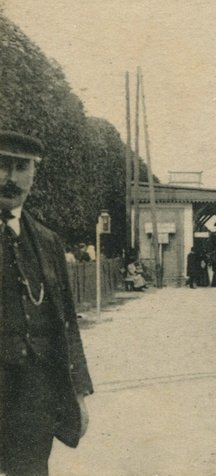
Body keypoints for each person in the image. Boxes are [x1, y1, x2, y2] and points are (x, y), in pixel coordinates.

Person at [0, 130, 93, 475]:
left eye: (21, 167)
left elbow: (67, 321)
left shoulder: (47, 241)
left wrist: (79, 393)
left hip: (34, 393)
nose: (10, 178)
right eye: (1, 165)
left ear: (34, 173)